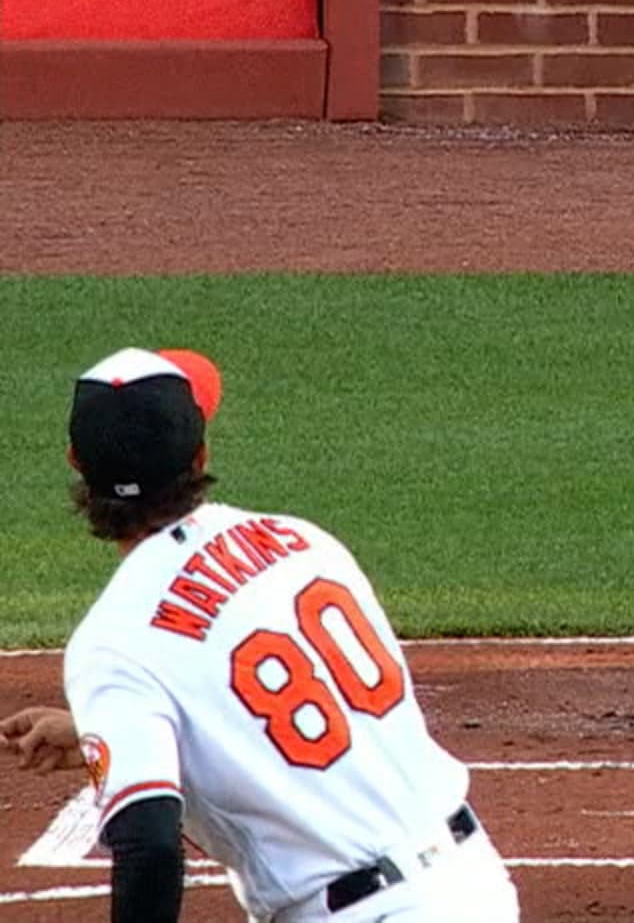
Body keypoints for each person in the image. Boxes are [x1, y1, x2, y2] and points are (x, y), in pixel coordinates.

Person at [0, 347, 519, 921]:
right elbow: (298, 695)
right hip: (476, 885)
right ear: (200, 455)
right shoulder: (301, 540)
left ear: (76, 462)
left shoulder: (112, 643)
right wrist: (103, 728)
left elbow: (147, 845)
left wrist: (118, 708)